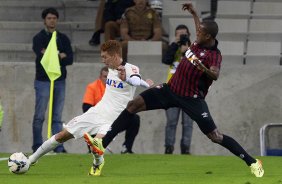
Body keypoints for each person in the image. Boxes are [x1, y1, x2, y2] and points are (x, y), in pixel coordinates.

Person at [85, 3, 264, 177]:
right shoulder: (198, 42)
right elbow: (199, 27)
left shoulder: (214, 55)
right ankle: (101, 146)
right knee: (132, 105)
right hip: (170, 90)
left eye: (200, 32)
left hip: (192, 99)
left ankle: (253, 162)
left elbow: (215, 75)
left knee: (215, 136)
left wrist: (203, 68)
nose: (197, 33)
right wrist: (194, 13)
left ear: (208, 36)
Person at [28, 40, 154, 176]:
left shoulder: (130, 68)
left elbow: (134, 79)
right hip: (97, 111)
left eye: (105, 57)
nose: (103, 60)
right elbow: (139, 81)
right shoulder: (111, 69)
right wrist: (145, 83)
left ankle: (97, 163)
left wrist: (128, 79)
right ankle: (30, 160)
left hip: (115, 119)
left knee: (97, 144)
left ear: (115, 55)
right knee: (63, 135)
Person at [32, 7, 73, 153]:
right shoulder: (38, 38)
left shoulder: (63, 38)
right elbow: (42, 56)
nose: (52, 20)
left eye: (54, 18)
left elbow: (70, 59)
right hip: (43, 80)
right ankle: (37, 146)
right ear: (44, 20)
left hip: (60, 80)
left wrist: (55, 56)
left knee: (57, 117)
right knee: (39, 116)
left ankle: (58, 146)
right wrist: (59, 55)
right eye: (49, 18)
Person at [82, 66, 140, 154]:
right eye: (105, 77)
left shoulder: (118, 86)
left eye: (108, 77)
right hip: (99, 117)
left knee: (135, 119)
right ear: (100, 77)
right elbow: (86, 107)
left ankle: (126, 148)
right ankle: (92, 149)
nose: (107, 79)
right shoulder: (92, 87)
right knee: (87, 120)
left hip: (116, 118)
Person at [162, 24, 193, 154]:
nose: (181, 36)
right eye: (178, 34)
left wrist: (186, 51)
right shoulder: (172, 48)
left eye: (183, 34)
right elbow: (166, 60)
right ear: (175, 36)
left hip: (189, 91)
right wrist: (175, 45)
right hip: (172, 90)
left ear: (189, 35)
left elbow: (195, 64)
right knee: (171, 122)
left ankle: (185, 148)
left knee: (188, 123)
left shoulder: (193, 49)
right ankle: (169, 148)